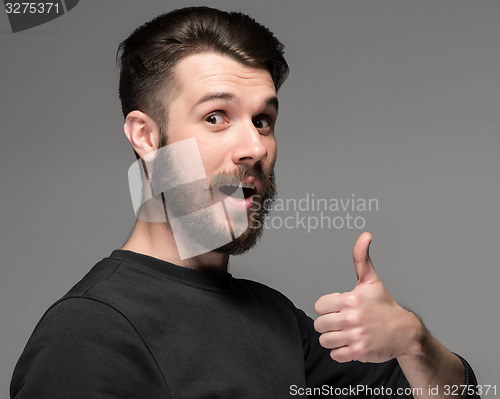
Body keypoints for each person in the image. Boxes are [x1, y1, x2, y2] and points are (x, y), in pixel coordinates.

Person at [11, 6, 479, 398]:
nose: (254, 147)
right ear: (146, 137)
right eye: (216, 117)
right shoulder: (87, 335)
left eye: (262, 120)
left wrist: (414, 342)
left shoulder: (277, 322)